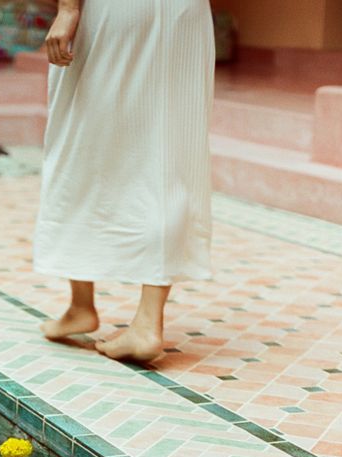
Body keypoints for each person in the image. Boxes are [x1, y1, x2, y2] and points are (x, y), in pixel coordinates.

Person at [33, 0, 215, 363]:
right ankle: (146, 321)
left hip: (119, 11)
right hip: (187, 14)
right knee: (169, 151)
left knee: (80, 140)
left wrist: (68, 8)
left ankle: (83, 304)